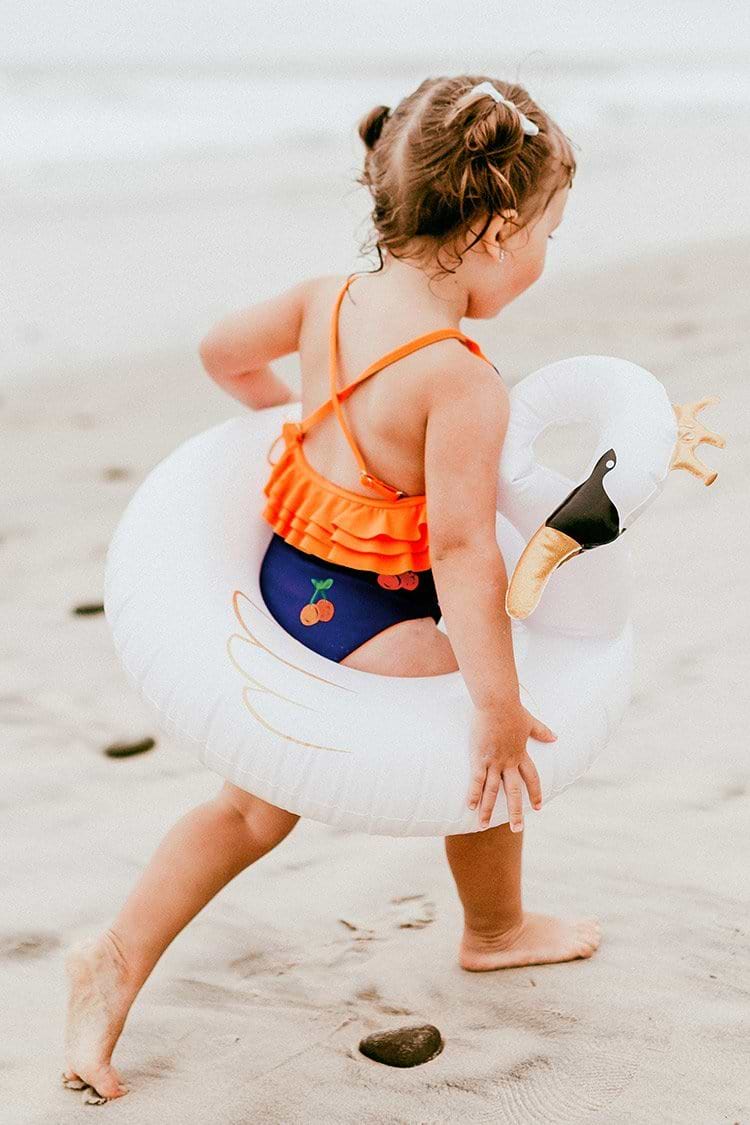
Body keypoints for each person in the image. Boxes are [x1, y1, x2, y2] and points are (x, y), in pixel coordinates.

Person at [63, 74, 600, 1102]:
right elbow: (462, 554)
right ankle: (495, 929)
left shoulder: (329, 298)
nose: (542, 255)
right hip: (371, 611)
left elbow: (222, 352)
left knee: (252, 812)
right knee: (476, 738)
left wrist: (288, 424)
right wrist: (494, 704)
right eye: (546, 232)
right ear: (492, 230)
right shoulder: (460, 378)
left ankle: (118, 957)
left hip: (292, 576)